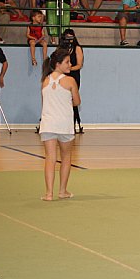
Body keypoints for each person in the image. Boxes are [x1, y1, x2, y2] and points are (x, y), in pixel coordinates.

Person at [39, 48, 81, 201]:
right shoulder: (70, 81)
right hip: (64, 124)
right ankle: (62, 191)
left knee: (50, 158)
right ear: (58, 64)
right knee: (66, 157)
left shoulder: (45, 81)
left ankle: (49, 193)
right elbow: (77, 101)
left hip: (48, 123)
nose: (70, 65)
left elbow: (44, 103)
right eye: (67, 62)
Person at [58, 29, 83, 134]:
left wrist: (68, 69)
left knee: (73, 100)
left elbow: (79, 65)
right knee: (61, 100)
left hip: (73, 76)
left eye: (71, 37)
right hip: (62, 76)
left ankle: (73, 123)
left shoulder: (77, 48)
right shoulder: (61, 49)